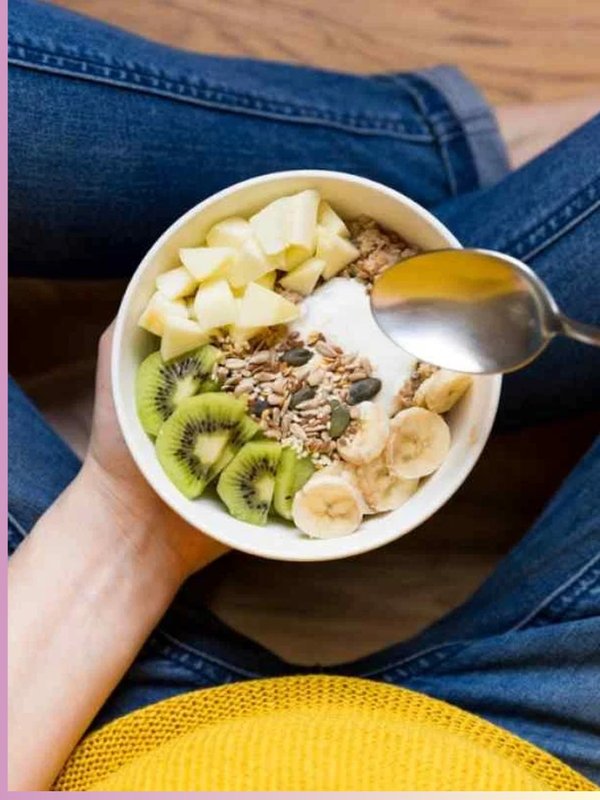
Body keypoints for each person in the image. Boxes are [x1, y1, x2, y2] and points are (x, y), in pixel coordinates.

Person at [8, 0, 600, 791]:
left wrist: (122, 527)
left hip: (114, 730)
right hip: (535, 746)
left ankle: (468, 154)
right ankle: (471, 154)